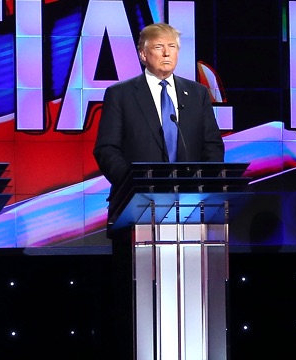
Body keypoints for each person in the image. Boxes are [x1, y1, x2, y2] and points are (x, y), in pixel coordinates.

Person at [93, 23, 224, 359]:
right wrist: (136, 187)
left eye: (173, 48)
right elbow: (107, 149)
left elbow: (213, 147)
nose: (167, 54)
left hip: (191, 215)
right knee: (139, 304)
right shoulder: (121, 94)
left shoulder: (195, 94)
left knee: (190, 297)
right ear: (143, 53)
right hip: (136, 214)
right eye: (159, 47)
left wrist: (202, 189)